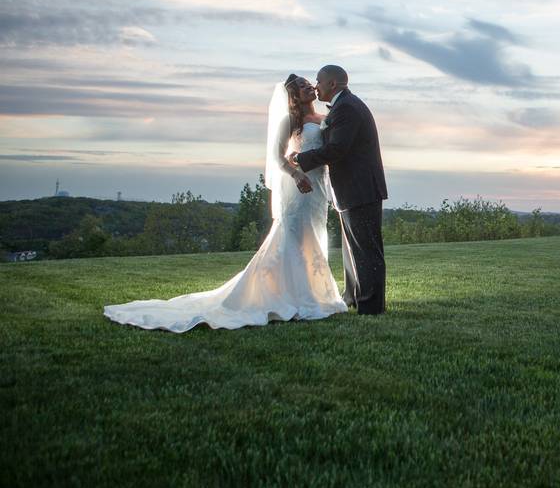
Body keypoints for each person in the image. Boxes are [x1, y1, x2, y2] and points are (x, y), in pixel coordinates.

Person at [103, 74, 347, 332]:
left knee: (313, 236)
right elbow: (278, 158)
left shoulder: (325, 120)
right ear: (294, 97)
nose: (309, 87)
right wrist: (297, 175)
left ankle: (315, 293)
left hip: (318, 189)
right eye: (301, 86)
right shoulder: (291, 121)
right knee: (295, 238)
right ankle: (298, 297)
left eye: (309, 83)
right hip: (298, 188)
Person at [288, 64, 388, 315]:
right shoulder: (344, 106)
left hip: (360, 188)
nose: (315, 86)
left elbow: (336, 150)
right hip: (350, 189)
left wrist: (300, 159)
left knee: (366, 250)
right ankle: (353, 296)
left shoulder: (347, 108)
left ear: (332, 84)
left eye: (319, 81)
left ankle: (371, 306)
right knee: (353, 249)